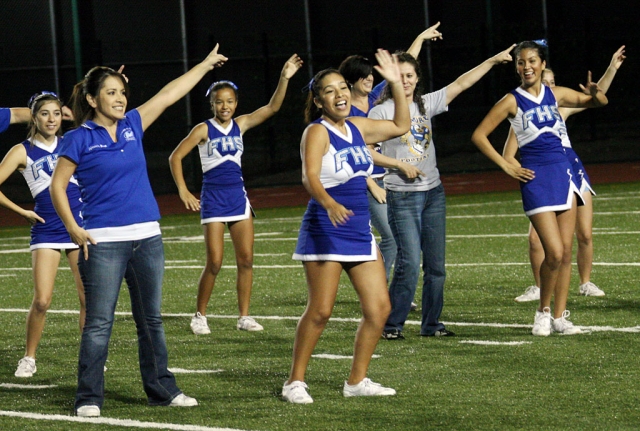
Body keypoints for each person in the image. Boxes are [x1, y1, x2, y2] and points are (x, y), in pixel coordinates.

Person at [50, 44, 228, 417]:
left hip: (147, 237)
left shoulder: (132, 124)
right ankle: (88, 397)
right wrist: (73, 229)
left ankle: (161, 389)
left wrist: (204, 64)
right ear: (92, 99)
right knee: (99, 323)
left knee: (151, 319)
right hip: (103, 242)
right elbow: (57, 186)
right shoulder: (78, 138)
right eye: (111, 92)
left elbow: (169, 94)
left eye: (122, 91)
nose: (119, 98)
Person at [283, 49, 422, 404]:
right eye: (329, 91)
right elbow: (309, 176)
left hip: (358, 229)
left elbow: (400, 126)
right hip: (325, 227)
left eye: (342, 87)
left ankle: (356, 381)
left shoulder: (357, 127)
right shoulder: (317, 132)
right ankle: (294, 382)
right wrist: (328, 202)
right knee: (320, 311)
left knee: (379, 309)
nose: (340, 94)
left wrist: (395, 84)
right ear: (318, 101)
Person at [369, 44, 516, 340]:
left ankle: (431, 324)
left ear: (417, 78)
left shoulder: (426, 103)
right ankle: (392, 324)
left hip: (433, 193)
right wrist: (396, 164)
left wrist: (490, 60)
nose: (407, 80)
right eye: (401, 76)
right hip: (402, 195)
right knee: (409, 263)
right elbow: (365, 151)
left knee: (436, 267)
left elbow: (462, 83)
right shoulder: (381, 110)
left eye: (411, 75)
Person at [471, 41, 608, 336]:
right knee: (554, 252)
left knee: (566, 250)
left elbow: (597, 103)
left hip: (564, 174)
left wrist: (596, 92)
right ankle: (542, 311)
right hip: (536, 180)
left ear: (542, 64)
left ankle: (560, 317)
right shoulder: (512, 100)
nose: (527, 66)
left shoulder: (556, 95)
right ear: (517, 68)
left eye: (532, 60)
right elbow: (480, 135)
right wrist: (506, 164)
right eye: (521, 62)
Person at [169, 54, 303, 335]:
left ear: (236, 103)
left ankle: (244, 316)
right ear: (211, 104)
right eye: (219, 101)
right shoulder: (203, 129)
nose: (225, 106)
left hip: (238, 200)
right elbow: (175, 157)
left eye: (229, 101)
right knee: (215, 262)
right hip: (214, 200)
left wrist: (284, 77)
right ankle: (199, 315)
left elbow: (272, 107)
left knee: (246, 260)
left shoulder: (241, 124)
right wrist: (183, 190)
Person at [508, 46, 626, 302]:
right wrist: (513, 167)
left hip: (570, 167)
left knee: (582, 233)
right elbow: (509, 151)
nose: (548, 85)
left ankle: (583, 284)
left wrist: (611, 69)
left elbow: (595, 97)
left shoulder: (561, 105)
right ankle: (541, 289)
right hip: (544, 173)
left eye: (551, 81)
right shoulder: (523, 111)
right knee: (540, 240)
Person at [339, 23, 443, 293]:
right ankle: (379, 293)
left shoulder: (375, 100)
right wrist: (371, 184)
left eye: (371, 75)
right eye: (364, 77)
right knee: (390, 239)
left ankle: (385, 291)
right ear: (350, 81)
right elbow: (350, 153)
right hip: (364, 180)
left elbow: (401, 72)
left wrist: (419, 37)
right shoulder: (344, 110)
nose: (370, 79)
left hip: (387, 177)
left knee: (393, 239)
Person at [0, 93, 85, 378]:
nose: (51, 119)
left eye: (57, 113)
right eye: (45, 114)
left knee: (88, 298)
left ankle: (90, 357)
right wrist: (21, 212)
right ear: (34, 117)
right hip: (47, 228)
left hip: (77, 225)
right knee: (42, 301)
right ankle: (29, 357)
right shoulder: (21, 151)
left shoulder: (72, 142)